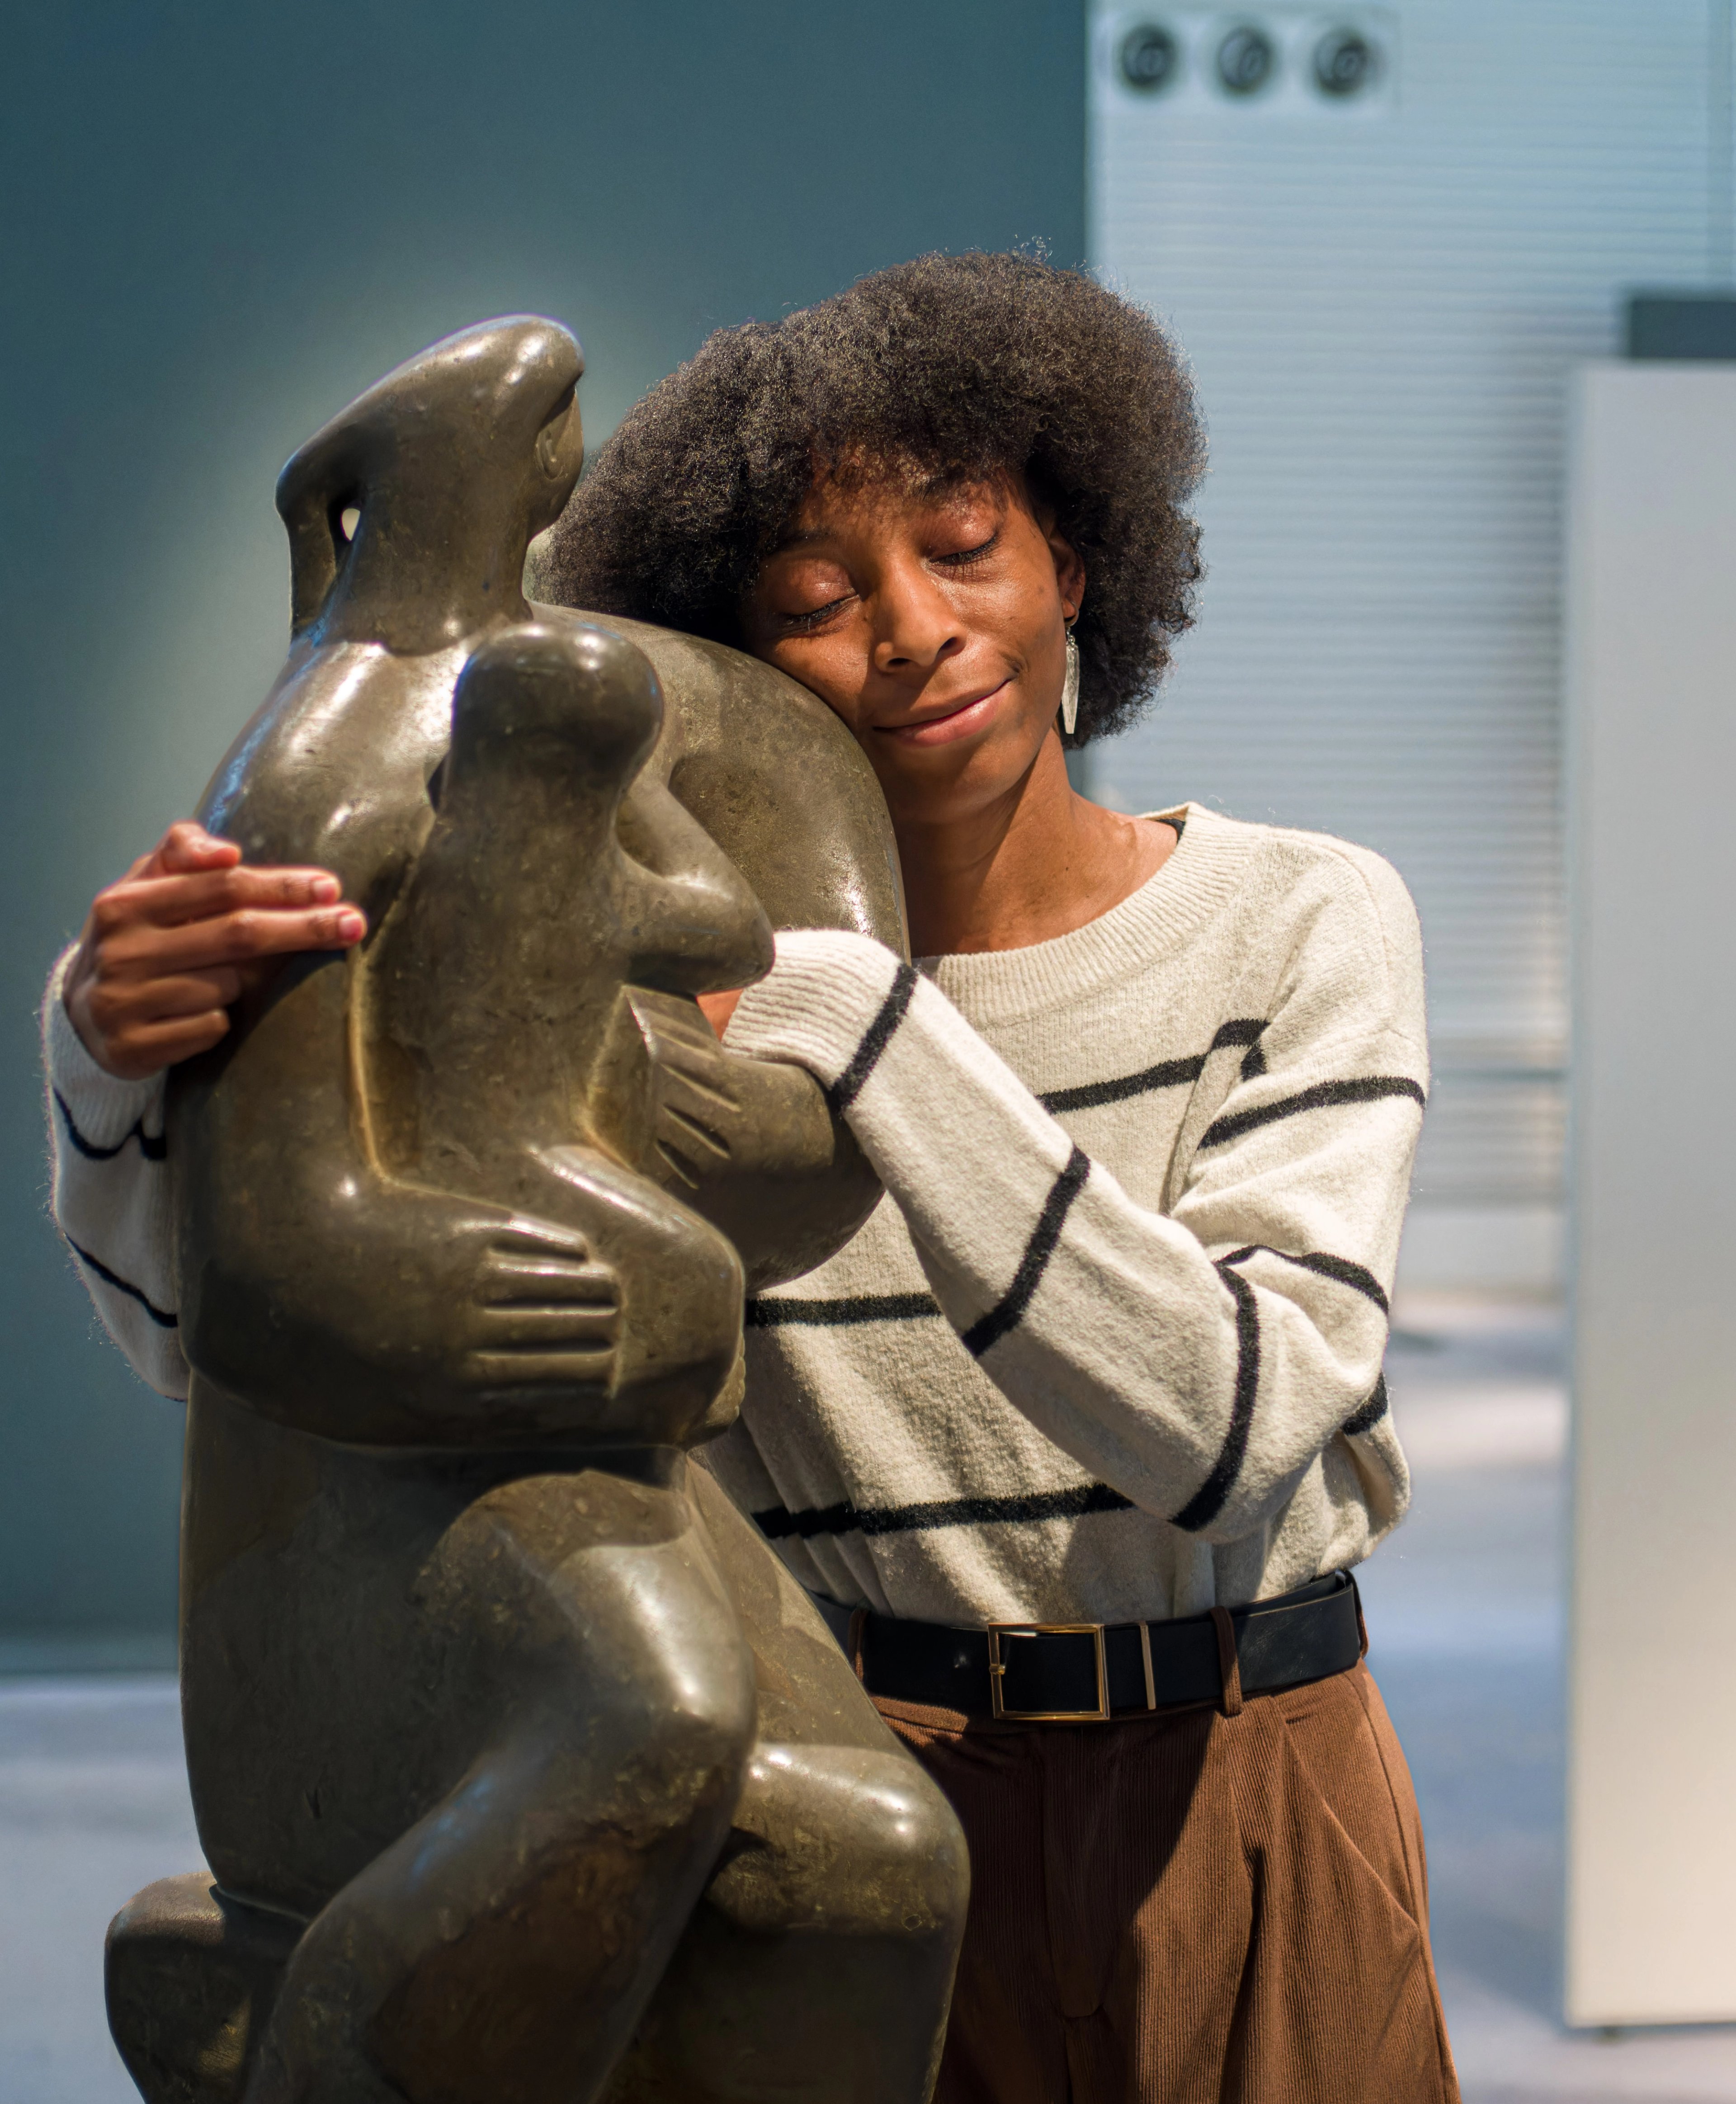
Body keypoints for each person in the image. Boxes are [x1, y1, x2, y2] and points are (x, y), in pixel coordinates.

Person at [44, 254, 1456, 2102]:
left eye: (966, 547)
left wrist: (860, 1024)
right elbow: (224, 1342)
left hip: (1248, 1770)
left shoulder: (1293, 919)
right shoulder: (652, 995)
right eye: (815, 597)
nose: (915, 630)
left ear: (1080, 561)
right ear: (732, 662)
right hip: (864, 1788)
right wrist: (113, 1060)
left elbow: (1229, 1417)